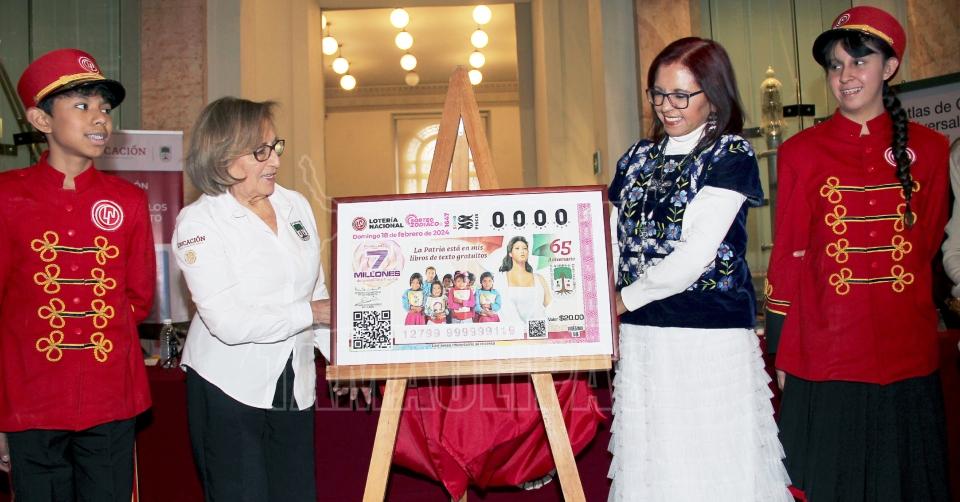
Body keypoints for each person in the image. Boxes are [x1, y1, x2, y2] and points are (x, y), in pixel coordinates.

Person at [765, 7, 951, 501]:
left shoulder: (932, 150)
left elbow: (928, 240)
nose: (844, 76)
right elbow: (788, 252)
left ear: (889, 67)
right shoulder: (800, 151)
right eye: (835, 65)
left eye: (859, 61)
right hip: (825, 349)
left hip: (906, 347)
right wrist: (783, 347)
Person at [608, 37, 791, 501]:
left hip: (706, 334)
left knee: (712, 460)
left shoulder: (730, 154)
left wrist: (621, 300)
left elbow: (695, 255)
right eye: (658, 93)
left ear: (713, 94)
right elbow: (610, 238)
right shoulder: (635, 158)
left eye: (680, 95)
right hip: (642, 334)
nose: (667, 107)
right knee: (654, 460)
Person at [0, 48, 156, 500]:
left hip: (111, 397)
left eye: (105, 108)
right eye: (83, 105)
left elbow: (138, 296)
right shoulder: (7, 198)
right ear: (41, 119)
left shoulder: (128, 200)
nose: (100, 118)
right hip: (29, 398)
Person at [172, 97, 330, 501]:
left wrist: (343, 356)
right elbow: (229, 322)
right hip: (229, 386)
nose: (275, 160)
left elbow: (317, 292)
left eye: (275, 146)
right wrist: (310, 313)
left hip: (294, 382)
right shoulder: (199, 222)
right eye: (261, 151)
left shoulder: (294, 204)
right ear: (223, 157)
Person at [496, 236, 552, 323]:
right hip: (513, 329)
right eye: (517, 248)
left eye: (525, 248)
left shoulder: (539, 279)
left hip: (538, 327)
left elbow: (550, 306)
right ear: (510, 253)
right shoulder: (501, 278)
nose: (522, 251)